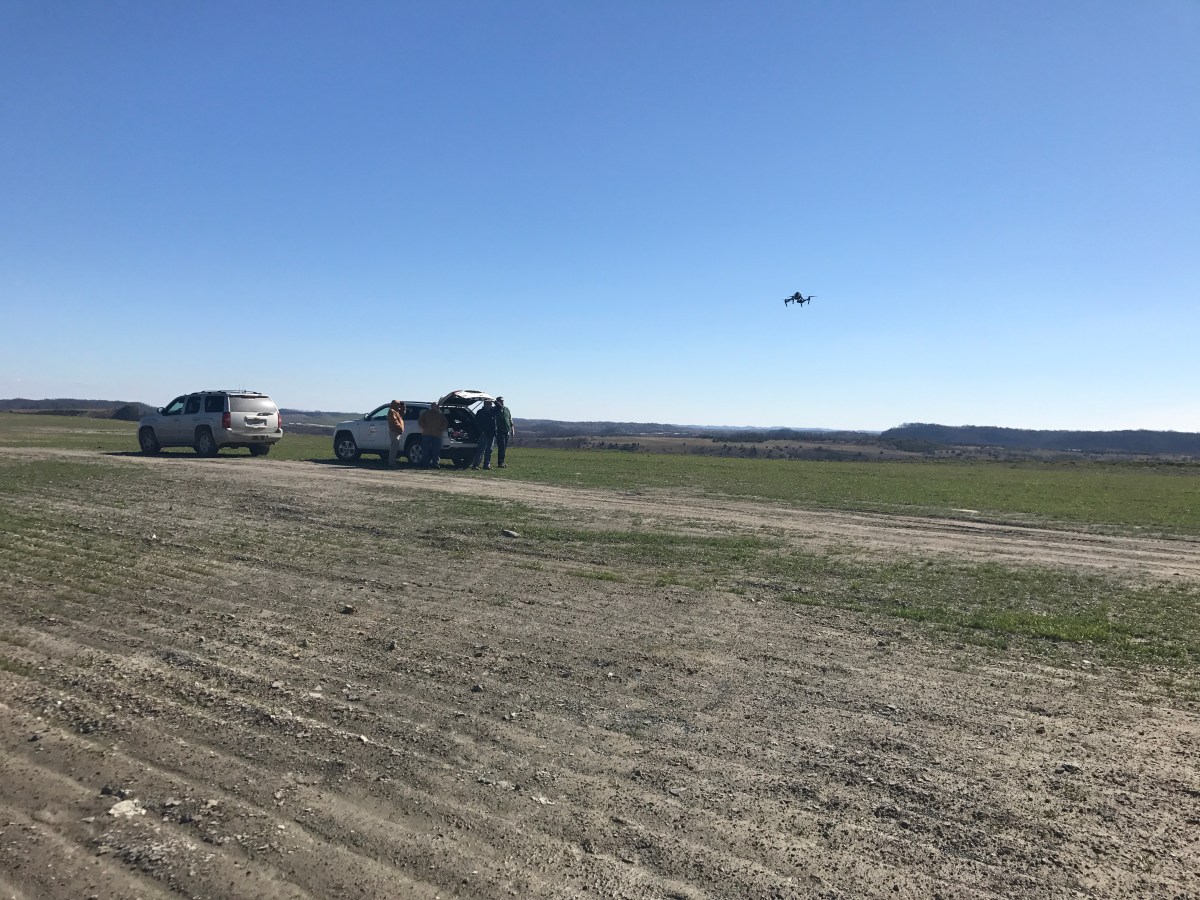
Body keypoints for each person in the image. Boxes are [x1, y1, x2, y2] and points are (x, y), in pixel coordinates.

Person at [417, 401, 448, 469]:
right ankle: (425, 464)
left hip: (437, 435)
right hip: (426, 434)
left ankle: (435, 464)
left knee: (436, 450)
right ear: (432, 406)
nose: (437, 407)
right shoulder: (426, 413)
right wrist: (424, 426)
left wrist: (441, 428)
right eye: (436, 406)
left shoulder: (440, 415)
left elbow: (445, 423)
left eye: (438, 406)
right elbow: (420, 421)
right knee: (426, 450)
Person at [470, 399, 498, 469]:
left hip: (492, 433)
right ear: (485, 404)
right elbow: (476, 422)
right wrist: (481, 431)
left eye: (491, 404)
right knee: (481, 450)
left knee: (489, 450)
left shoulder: (493, 411)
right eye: (489, 403)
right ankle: (475, 465)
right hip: (484, 433)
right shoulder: (480, 412)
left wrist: (494, 401)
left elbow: (500, 407)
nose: (491, 405)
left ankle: (486, 465)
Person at [494, 396, 515, 468]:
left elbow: (510, 420)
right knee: (501, 447)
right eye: (500, 401)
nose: (502, 402)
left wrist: (512, 430)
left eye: (502, 401)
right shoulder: (495, 409)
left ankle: (502, 462)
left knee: (504, 448)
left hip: (507, 431)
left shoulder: (506, 409)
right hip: (500, 432)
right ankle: (500, 463)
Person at [386, 400, 406, 469]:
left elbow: (403, 414)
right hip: (394, 431)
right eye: (398, 404)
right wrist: (400, 428)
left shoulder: (396, 411)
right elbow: (394, 421)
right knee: (393, 448)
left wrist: (404, 408)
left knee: (395, 448)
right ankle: (391, 463)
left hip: (396, 431)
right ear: (394, 404)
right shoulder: (392, 411)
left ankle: (392, 462)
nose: (399, 406)